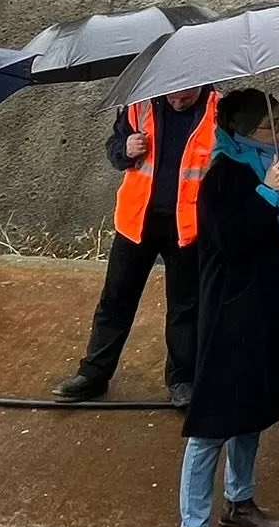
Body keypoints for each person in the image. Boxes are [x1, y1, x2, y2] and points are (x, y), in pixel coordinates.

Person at [176, 89, 279, 527]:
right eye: (271, 123)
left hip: (267, 310)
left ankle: (239, 501)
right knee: (213, 424)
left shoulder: (272, 166)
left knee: (253, 410)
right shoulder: (224, 175)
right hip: (230, 317)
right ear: (243, 130)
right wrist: (267, 193)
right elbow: (230, 241)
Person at [53, 83, 220, 405]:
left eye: (186, 95)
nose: (178, 100)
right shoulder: (139, 104)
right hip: (137, 221)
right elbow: (114, 149)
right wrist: (124, 149)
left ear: (200, 82)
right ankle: (94, 374)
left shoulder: (219, 110)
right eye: (173, 94)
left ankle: (182, 380)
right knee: (115, 301)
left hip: (189, 225)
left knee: (186, 307)